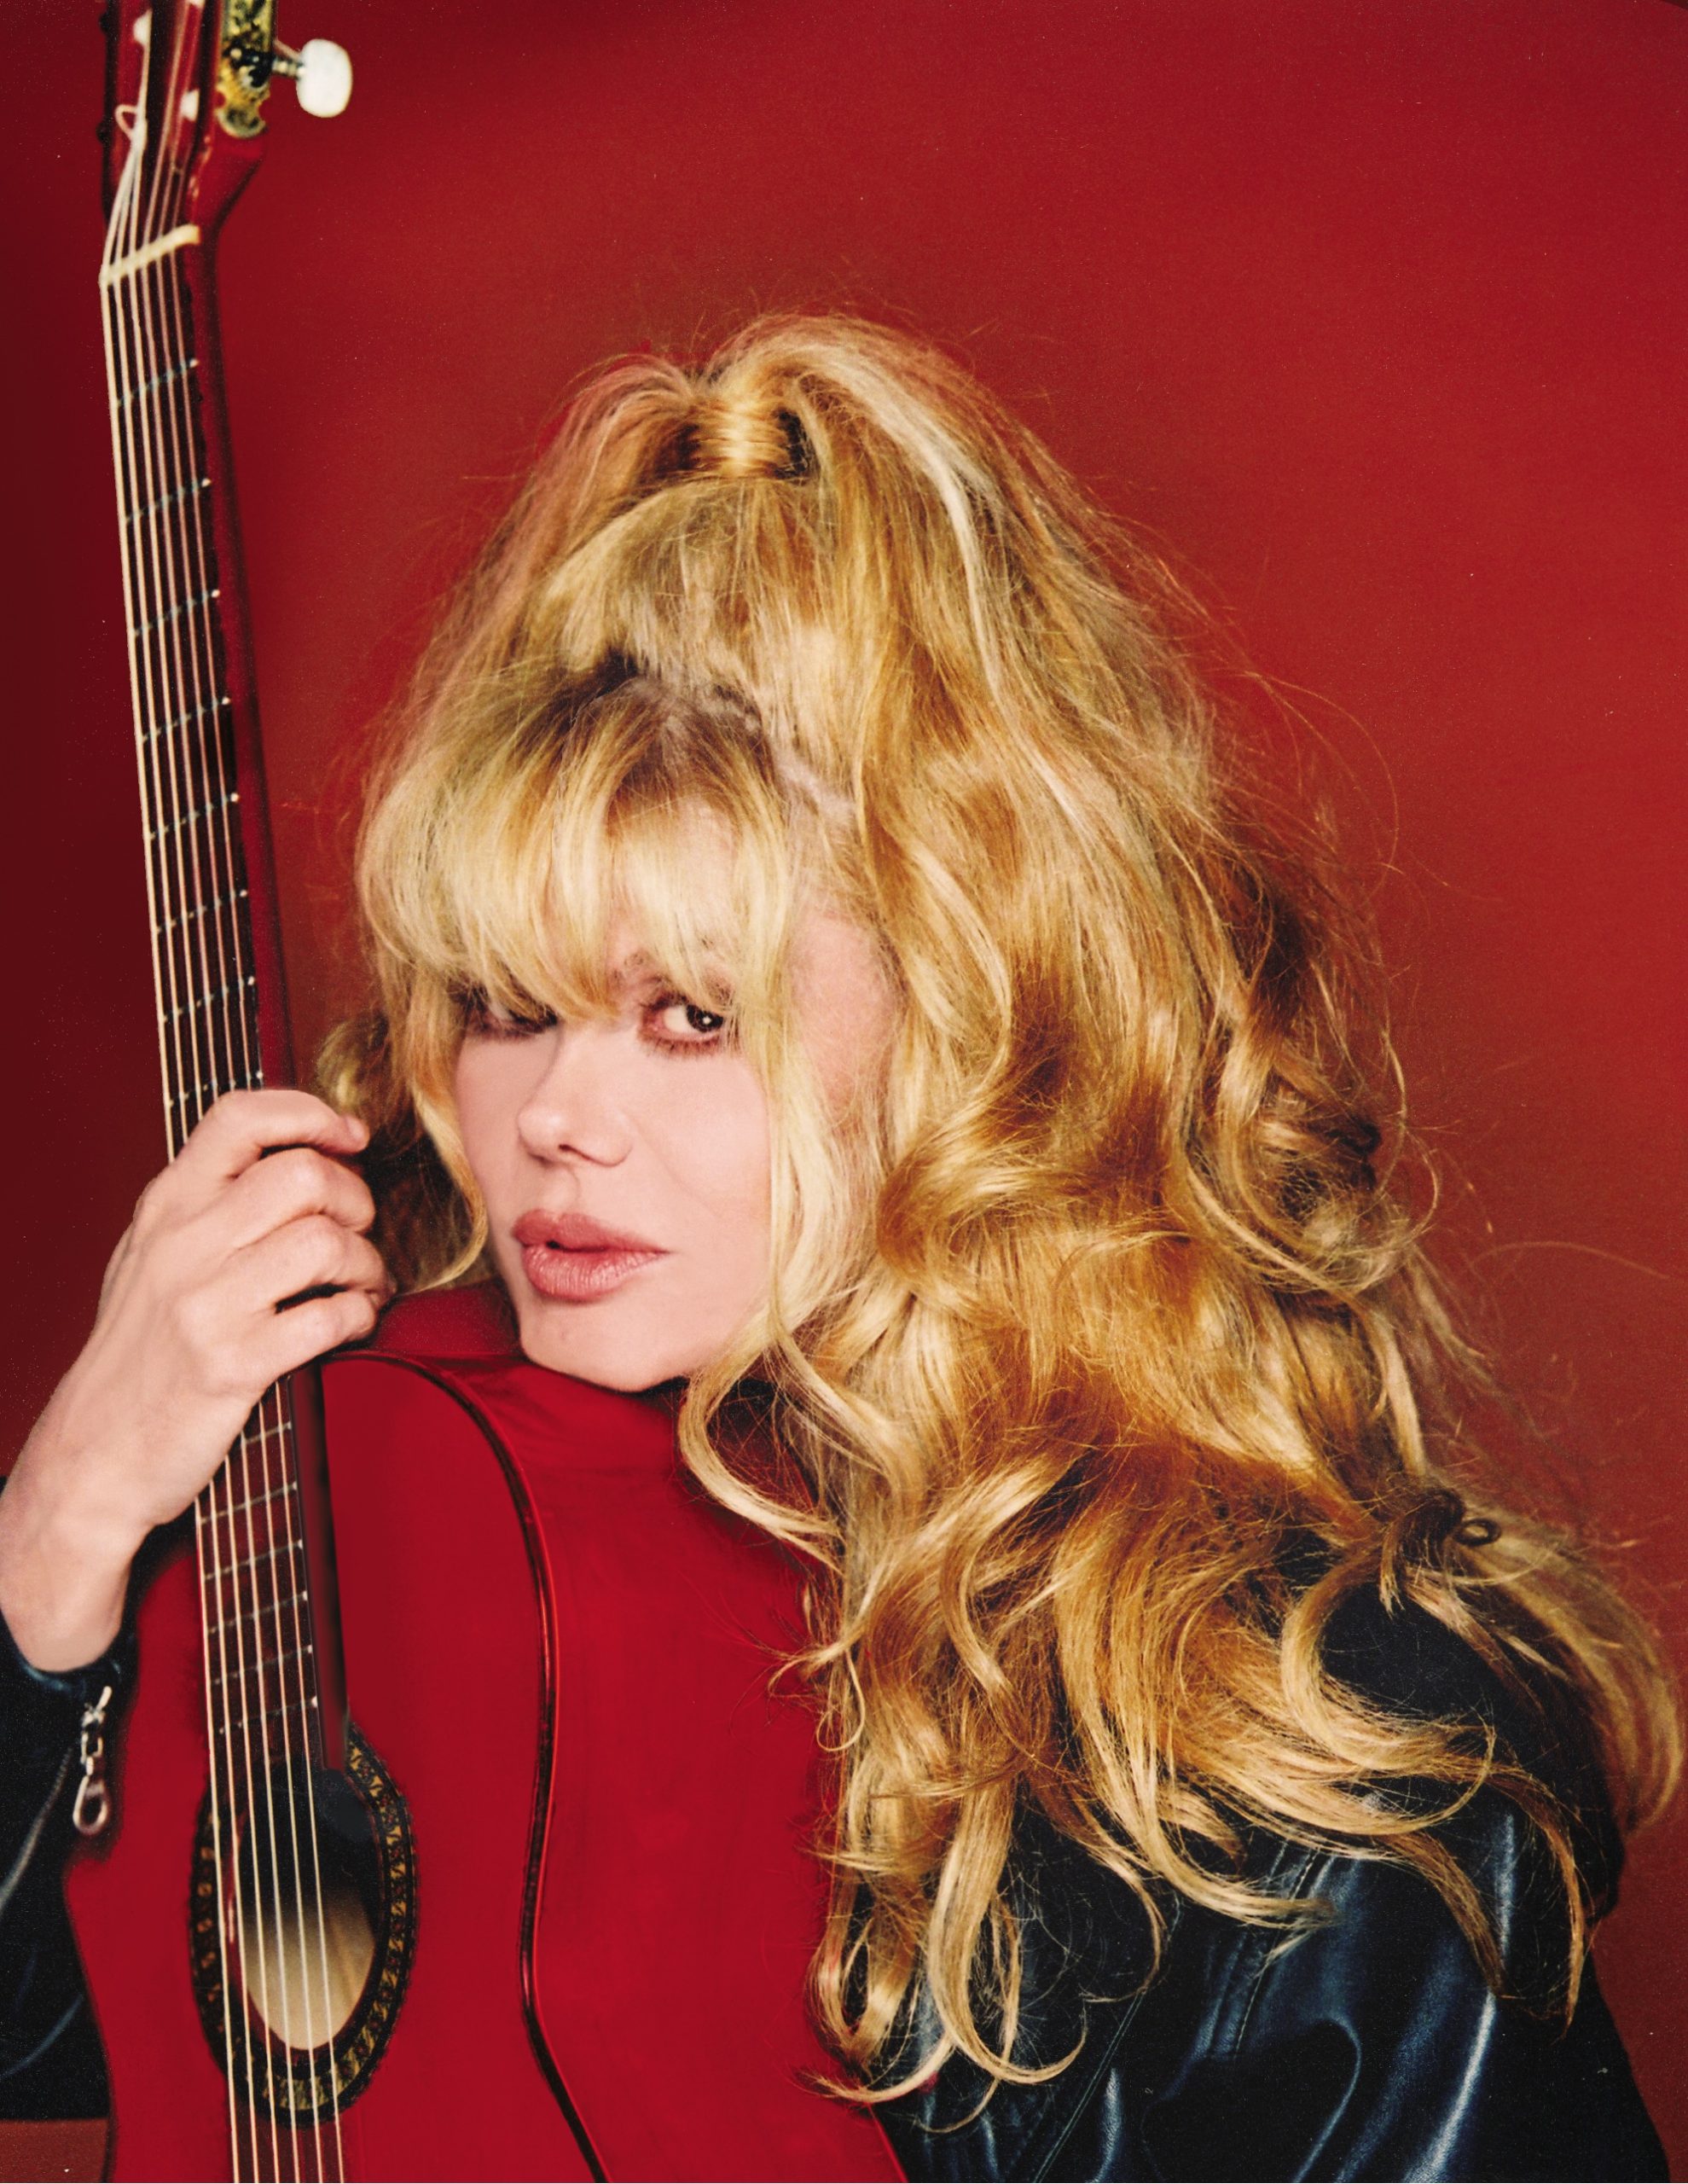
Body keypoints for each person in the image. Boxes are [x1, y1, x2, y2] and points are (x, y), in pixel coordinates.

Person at [0, 314, 1676, 2181]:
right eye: (507, 1004)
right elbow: (74, 2027)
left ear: (980, 1030)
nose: (558, 1115)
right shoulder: (430, 1513)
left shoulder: (1299, 1733)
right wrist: (63, 1526)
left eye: (692, 1016)